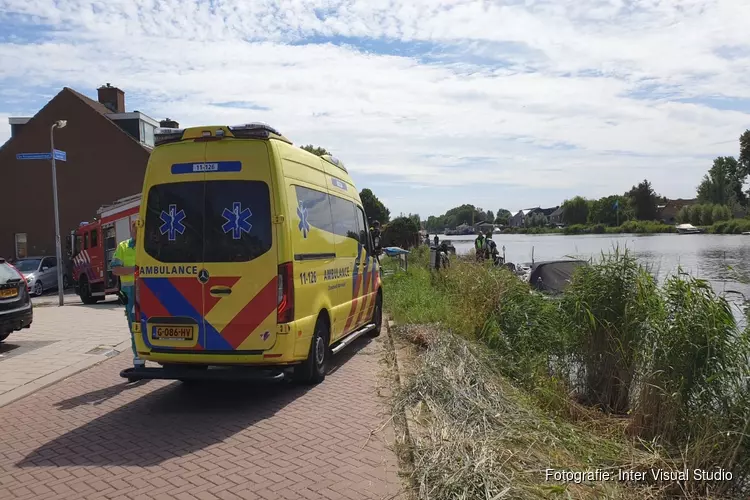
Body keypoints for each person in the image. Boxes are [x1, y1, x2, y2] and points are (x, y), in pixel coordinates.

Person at [111, 219, 144, 368]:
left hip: (147, 290)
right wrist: (135, 270)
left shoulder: (148, 245)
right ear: (132, 230)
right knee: (134, 324)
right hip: (130, 291)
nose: (137, 232)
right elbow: (116, 270)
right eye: (135, 229)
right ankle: (138, 358)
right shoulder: (123, 247)